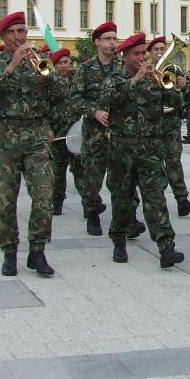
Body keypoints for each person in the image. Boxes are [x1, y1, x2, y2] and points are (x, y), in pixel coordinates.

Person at [0, 12, 59, 277]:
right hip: (4, 138)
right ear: (3, 36)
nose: (18, 37)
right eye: (12, 32)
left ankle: (37, 250)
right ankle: (9, 252)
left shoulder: (38, 61)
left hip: (36, 135)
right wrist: (12, 66)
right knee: (4, 200)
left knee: (44, 196)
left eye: (22, 31)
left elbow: (60, 94)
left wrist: (50, 72)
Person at [99, 32, 185, 268]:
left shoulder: (154, 77)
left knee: (156, 197)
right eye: (135, 54)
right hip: (121, 148)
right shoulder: (114, 77)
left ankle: (166, 247)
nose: (140, 58)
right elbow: (107, 99)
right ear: (125, 55)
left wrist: (173, 87)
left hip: (150, 147)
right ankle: (119, 242)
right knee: (122, 198)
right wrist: (135, 80)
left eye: (142, 54)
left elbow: (177, 103)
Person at [69, 23, 120, 236]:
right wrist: (94, 111)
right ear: (97, 42)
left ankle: (126, 216)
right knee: (92, 177)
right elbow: (75, 98)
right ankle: (92, 214)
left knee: (122, 176)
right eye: (108, 39)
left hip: (119, 131)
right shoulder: (85, 69)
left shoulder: (122, 67)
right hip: (93, 132)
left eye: (114, 38)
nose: (112, 43)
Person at [147, 36, 190, 217]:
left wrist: (184, 87)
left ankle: (182, 201)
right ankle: (156, 202)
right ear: (150, 53)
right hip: (151, 123)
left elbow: (183, 100)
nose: (161, 53)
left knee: (174, 162)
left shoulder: (173, 70)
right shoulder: (144, 71)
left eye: (163, 49)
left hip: (170, 123)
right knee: (153, 165)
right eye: (156, 50)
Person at [47, 48, 82, 217]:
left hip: (75, 131)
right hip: (58, 132)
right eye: (59, 63)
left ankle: (89, 203)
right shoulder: (49, 81)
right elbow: (43, 107)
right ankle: (58, 201)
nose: (63, 66)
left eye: (66, 62)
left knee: (81, 170)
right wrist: (48, 129)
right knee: (58, 171)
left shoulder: (77, 79)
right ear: (54, 65)